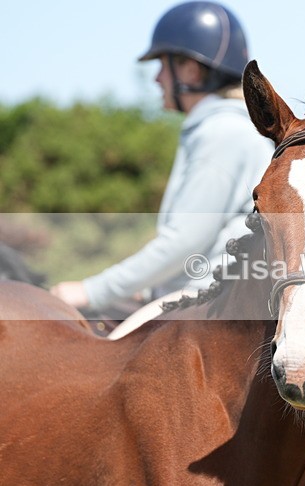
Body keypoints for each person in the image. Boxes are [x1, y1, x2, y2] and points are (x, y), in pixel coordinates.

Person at [51, 1, 271, 323]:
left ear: (191, 69)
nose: (156, 79)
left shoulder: (222, 133)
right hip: (202, 292)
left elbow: (184, 241)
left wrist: (92, 290)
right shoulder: (221, 129)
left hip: (206, 300)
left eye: (163, 66)